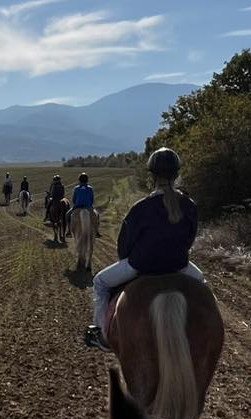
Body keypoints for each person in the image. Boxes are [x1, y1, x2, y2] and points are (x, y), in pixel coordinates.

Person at [85, 148, 204, 345]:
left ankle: (102, 335)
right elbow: (189, 239)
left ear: (152, 177)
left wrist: (129, 261)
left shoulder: (140, 208)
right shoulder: (189, 205)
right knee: (201, 282)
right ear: (176, 174)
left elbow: (125, 245)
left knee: (100, 283)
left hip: (140, 265)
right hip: (179, 265)